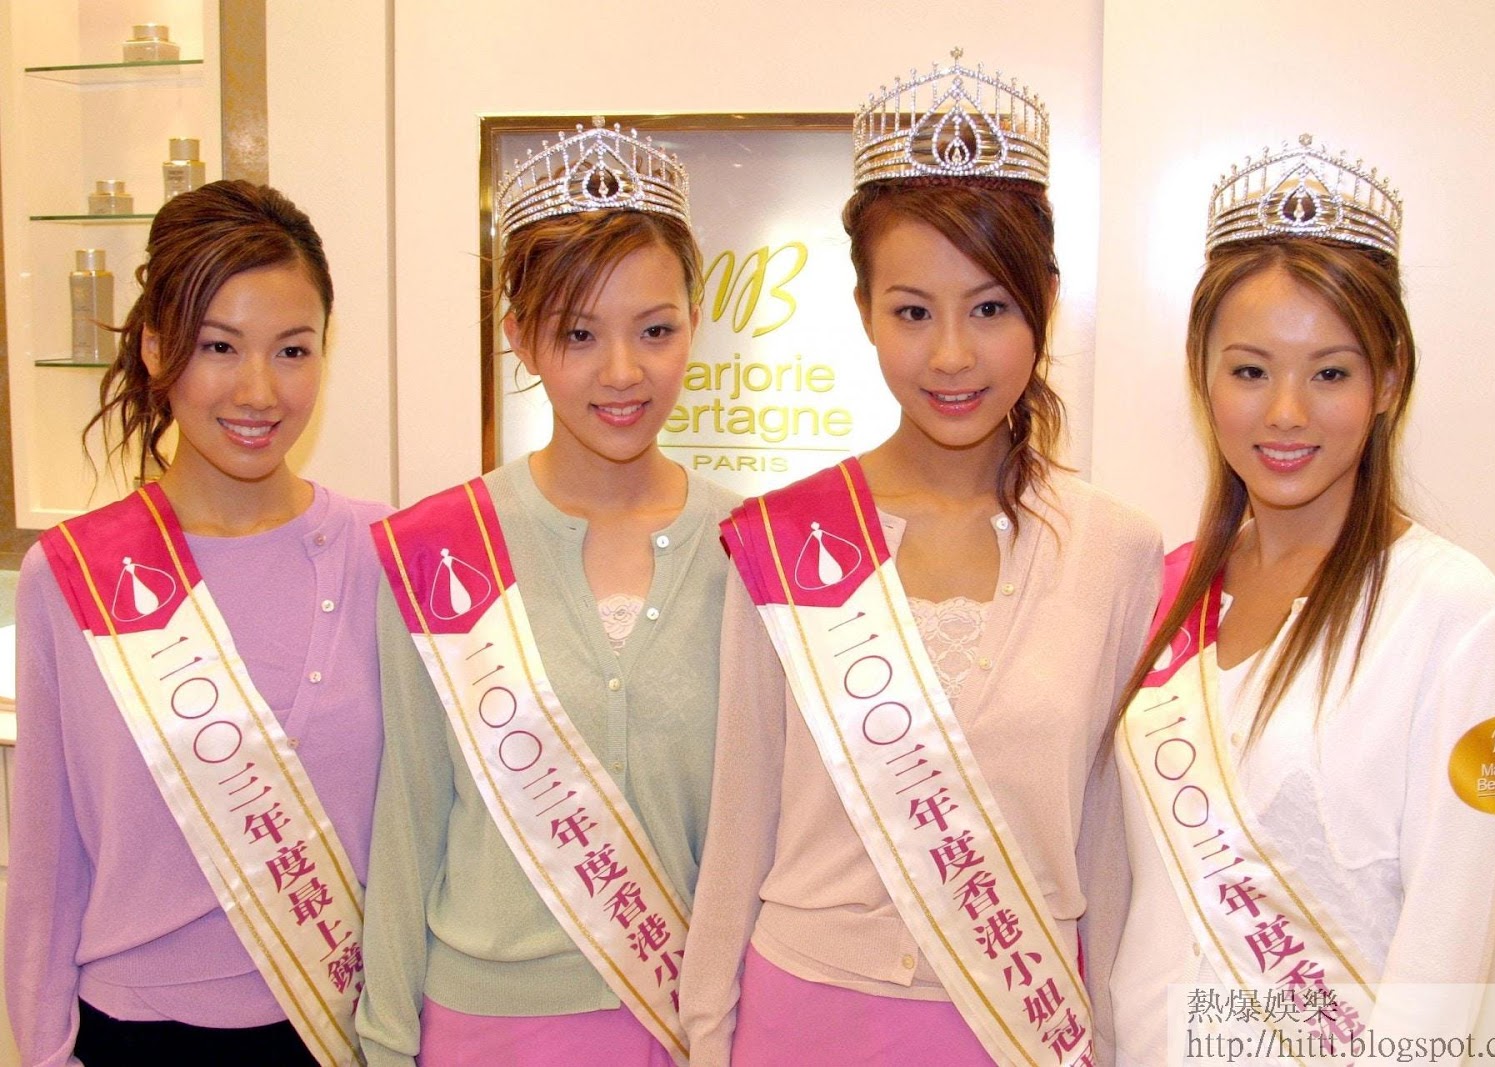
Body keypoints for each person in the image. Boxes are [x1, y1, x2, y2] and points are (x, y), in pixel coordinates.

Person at [680, 54, 1162, 1066]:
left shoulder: (1117, 551)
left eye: (989, 308)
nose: (950, 354)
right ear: (863, 310)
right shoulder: (786, 536)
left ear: (1046, 302)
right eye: (912, 311)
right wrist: (707, 1032)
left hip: (1018, 1023)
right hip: (805, 1019)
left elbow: (1107, 843)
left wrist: (1112, 1042)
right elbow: (741, 820)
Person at [1109, 136, 1495, 1066]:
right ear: (1203, 375)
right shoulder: (1168, 592)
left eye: (1330, 372)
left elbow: (1445, 949)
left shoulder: (1449, 608)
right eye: (1250, 370)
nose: (1286, 411)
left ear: (1389, 379)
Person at [355, 122, 736, 1067]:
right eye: (578, 333)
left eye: (655, 329)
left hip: (686, 1026)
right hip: (486, 1026)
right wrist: (385, 1042)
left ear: (695, 322)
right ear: (519, 335)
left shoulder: (747, 549)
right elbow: (408, 819)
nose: (623, 371)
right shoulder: (441, 548)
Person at [5, 180, 385, 1066]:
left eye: (292, 350)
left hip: (342, 1026)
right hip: (135, 1032)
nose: (259, 389)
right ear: (155, 348)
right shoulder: (73, 577)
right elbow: (47, 864)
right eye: (219, 346)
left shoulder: (381, 555)